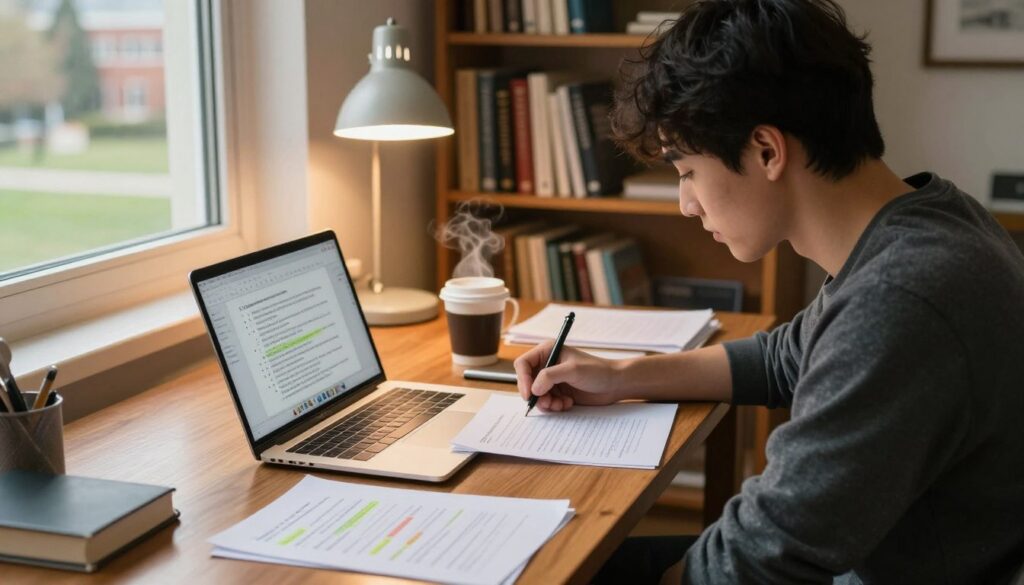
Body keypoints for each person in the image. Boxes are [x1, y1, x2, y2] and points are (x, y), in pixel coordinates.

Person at [512, 0, 1024, 583]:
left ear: (766, 150)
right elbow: (785, 357)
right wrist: (623, 377)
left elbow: (764, 554)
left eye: (687, 171)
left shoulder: (901, 299)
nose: (686, 204)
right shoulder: (933, 219)